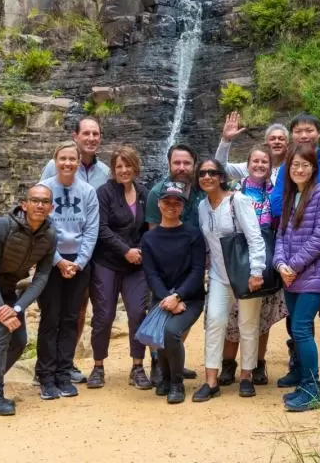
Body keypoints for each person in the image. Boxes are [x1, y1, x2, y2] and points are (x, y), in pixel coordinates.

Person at [269, 113, 320, 392]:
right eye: (299, 132)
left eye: (309, 130)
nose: (304, 136)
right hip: (291, 256)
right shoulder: (287, 169)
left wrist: (311, 194)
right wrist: (284, 263)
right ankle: (302, 367)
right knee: (298, 316)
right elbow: (277, 204)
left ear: (319, 133)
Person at [0, 184, 57, 416]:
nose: (39, 205)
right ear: (24, 205)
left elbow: (42, 276)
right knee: (3, 330)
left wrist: (16, 307)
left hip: (8, 290)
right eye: (35, 200)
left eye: (45, 201)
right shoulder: (4, 225)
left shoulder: (50, 235)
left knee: (20, 340)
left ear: (51, 207)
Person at [40, 116, 110, 385]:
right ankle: (47, 369)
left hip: (89, 251)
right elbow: (40, 208)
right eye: (86, 133)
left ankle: (65, 364)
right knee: (53, 313)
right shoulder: (53, 168)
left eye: (96, 133)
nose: (91, 138)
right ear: (76, 136)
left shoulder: (104, 171)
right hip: (53, 253)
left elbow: (96, 218)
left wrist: (81, 260)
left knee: (77, 310)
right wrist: (56, 258)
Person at [194, 159, 266, 401]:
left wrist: (257, 271)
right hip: (218, 275)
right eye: (202, 173)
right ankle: (211, 380)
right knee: (215, 321)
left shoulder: (238, 201)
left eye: (212, 172)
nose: (207, 177)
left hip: (244, 273)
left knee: (248, 324)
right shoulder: (202, 207)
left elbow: (255, 238)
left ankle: (246, 375)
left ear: (222, 177)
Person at [273, 143, 320, 412]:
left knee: (300, 327)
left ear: (313, 169)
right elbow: (281, 237)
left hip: (311, 274)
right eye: (295, 165)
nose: (299, 169)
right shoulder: (291, 196)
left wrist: (294, 265)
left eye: (305, 165)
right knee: (301, 330)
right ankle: (304, 384)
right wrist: (279, 265)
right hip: (290, 275)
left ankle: (312, 389)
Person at [216, 146, 287, 388]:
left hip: (266, 255)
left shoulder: (276, 190)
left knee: (262, 314)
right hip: (238, 255)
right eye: (255, 161)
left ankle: (257, 362)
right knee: (234, 312)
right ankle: (228, 363)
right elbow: (217, 167)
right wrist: (226, 141)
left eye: (264, 162)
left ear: (271, 166)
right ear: (246, 165)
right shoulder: (235, 189)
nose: (259, 165)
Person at [36, 142, 99, 400]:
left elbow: (92, 229)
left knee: (71, 318)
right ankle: (46, 376)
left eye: (72, 159)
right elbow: (41, 228)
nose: (68, 163)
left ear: (78, 161)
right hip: (50, 260)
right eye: (63, 158)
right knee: (50, 318)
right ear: (55, 160)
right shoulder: (46, 189)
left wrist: (80, 262)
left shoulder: (88, 192)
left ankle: (64, 372)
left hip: (79, 262)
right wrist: (59, 261)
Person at [87, 146, 152, 390]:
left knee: (137, 313)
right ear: (113, 170)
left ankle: (137, 366)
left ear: (136, 167)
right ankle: (98, 366)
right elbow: (101, 228)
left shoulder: (145, 193)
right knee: (104, 315)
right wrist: (125, 250)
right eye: (119, 167)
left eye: (128, 165)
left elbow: (150, 228)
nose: (124, 170)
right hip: (107, 262)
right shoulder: (104, 193)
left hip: (136, 265)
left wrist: (141, 251)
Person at [140, 181, 206, 404]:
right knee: (161, 335)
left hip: (191, 297)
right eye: (167, 201)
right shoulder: (149, 238)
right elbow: (151, 274)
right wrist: (166, 298)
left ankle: (176, 383)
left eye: (176, 202)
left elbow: (197, 271)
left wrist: (178, 296)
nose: (171, 206)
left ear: (182, 206)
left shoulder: (193, 235)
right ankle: (166, 378)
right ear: (159, 204)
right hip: (161, 297)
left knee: (171, 332)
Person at [215, 111, 289, 185]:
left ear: (287, 143)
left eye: (281, 139)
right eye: (272, 139)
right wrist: (226, 140)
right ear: (266, 143)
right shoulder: (254, 167)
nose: (277, 141)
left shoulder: (293, 167)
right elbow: (220, 167)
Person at [146, 144, 205, 229]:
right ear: (169, 165)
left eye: (187, 163)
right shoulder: (156, 194)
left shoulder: (204, 190)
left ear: (194, 166)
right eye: (177, 163)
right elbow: (153, 234)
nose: (181, 168)